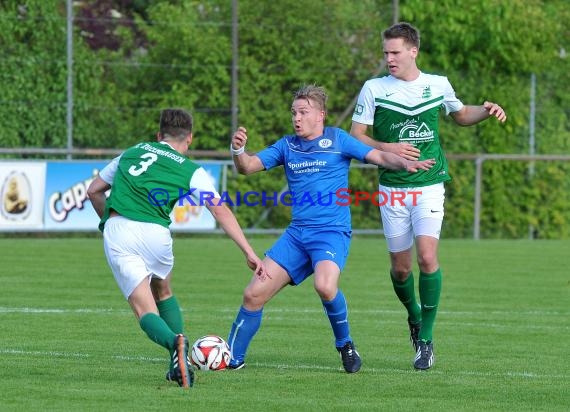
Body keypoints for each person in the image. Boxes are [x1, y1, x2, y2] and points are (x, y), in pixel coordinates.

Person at [226, 84, 435, 373]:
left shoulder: (338, 139)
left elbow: (378, 157)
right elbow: (246, 167)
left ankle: (345, 344)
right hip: (297, 236)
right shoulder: (287, 146)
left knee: (324, 286)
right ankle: (231, 359)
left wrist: (404, 163)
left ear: (320, 115)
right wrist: (238, 149)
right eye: (293, 113)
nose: (296, 118)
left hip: (331, 233)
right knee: (253, 294)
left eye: (303, 112)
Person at [350, 22, 507, 370]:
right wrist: (386, 146)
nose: (389, 58)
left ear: (413, 51)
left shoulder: (437, 84)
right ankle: (414, 316)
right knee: (401, 269)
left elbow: (462, 115)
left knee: (426, 258)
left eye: (395, 52)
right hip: (391, 187)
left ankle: (426, 341)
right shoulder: (374, 88)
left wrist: (487, 110)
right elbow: (357, 135)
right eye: (385, 52)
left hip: (430, 184)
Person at [87, 108, 266, 388]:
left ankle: (175, 343)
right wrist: (249, 251)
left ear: (159, 135)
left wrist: (109, 223)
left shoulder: (132, 152)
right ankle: (177, 362)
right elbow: (220, 211)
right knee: (163, 289)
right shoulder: (191, 170)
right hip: (157, 234)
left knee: (143, 307)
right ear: (190, 138)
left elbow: (94, 191)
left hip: (120, 229)